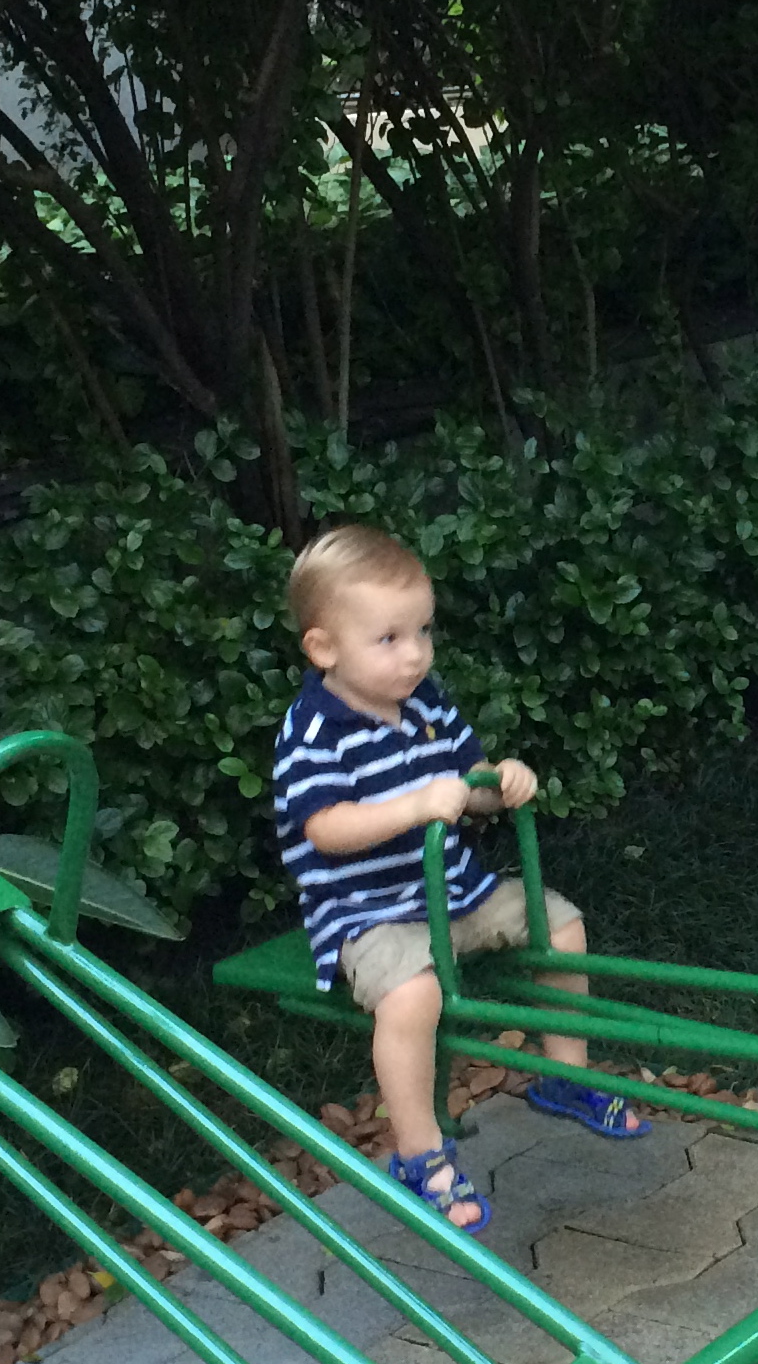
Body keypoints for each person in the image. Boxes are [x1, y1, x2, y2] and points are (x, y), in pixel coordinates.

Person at [272, 524, 647, 1236]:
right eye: (388, 638)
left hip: (453, 891)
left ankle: (567, 1075)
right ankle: (421, 1155)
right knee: (412, 996)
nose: (414, 653)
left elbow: (465, 787)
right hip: (366, 911)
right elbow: (325, 828)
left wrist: (498, 782)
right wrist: (415, 805)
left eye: (422, 631)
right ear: (324, 649)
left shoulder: (427, 703)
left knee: (560, 924)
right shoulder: (314, 732)